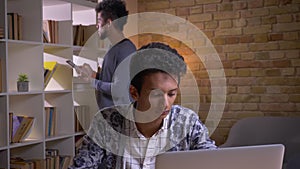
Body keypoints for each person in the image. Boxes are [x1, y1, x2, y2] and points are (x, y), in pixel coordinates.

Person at [69, 42, 217, 169]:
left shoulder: (187, 122)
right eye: (156, 95)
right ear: (134, 92)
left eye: (171, 94)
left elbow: (216, 162)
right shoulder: (106, 122)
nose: (165, 104)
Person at [79, 0, 136, 110]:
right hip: (109, 117)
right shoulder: (113, 48)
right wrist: (94, 75)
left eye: (99, 21)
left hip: (120, 119)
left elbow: (120, 89)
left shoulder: (125, 50)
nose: (96, 26)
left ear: (109, 23)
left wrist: (92, 82)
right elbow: (112, 79)